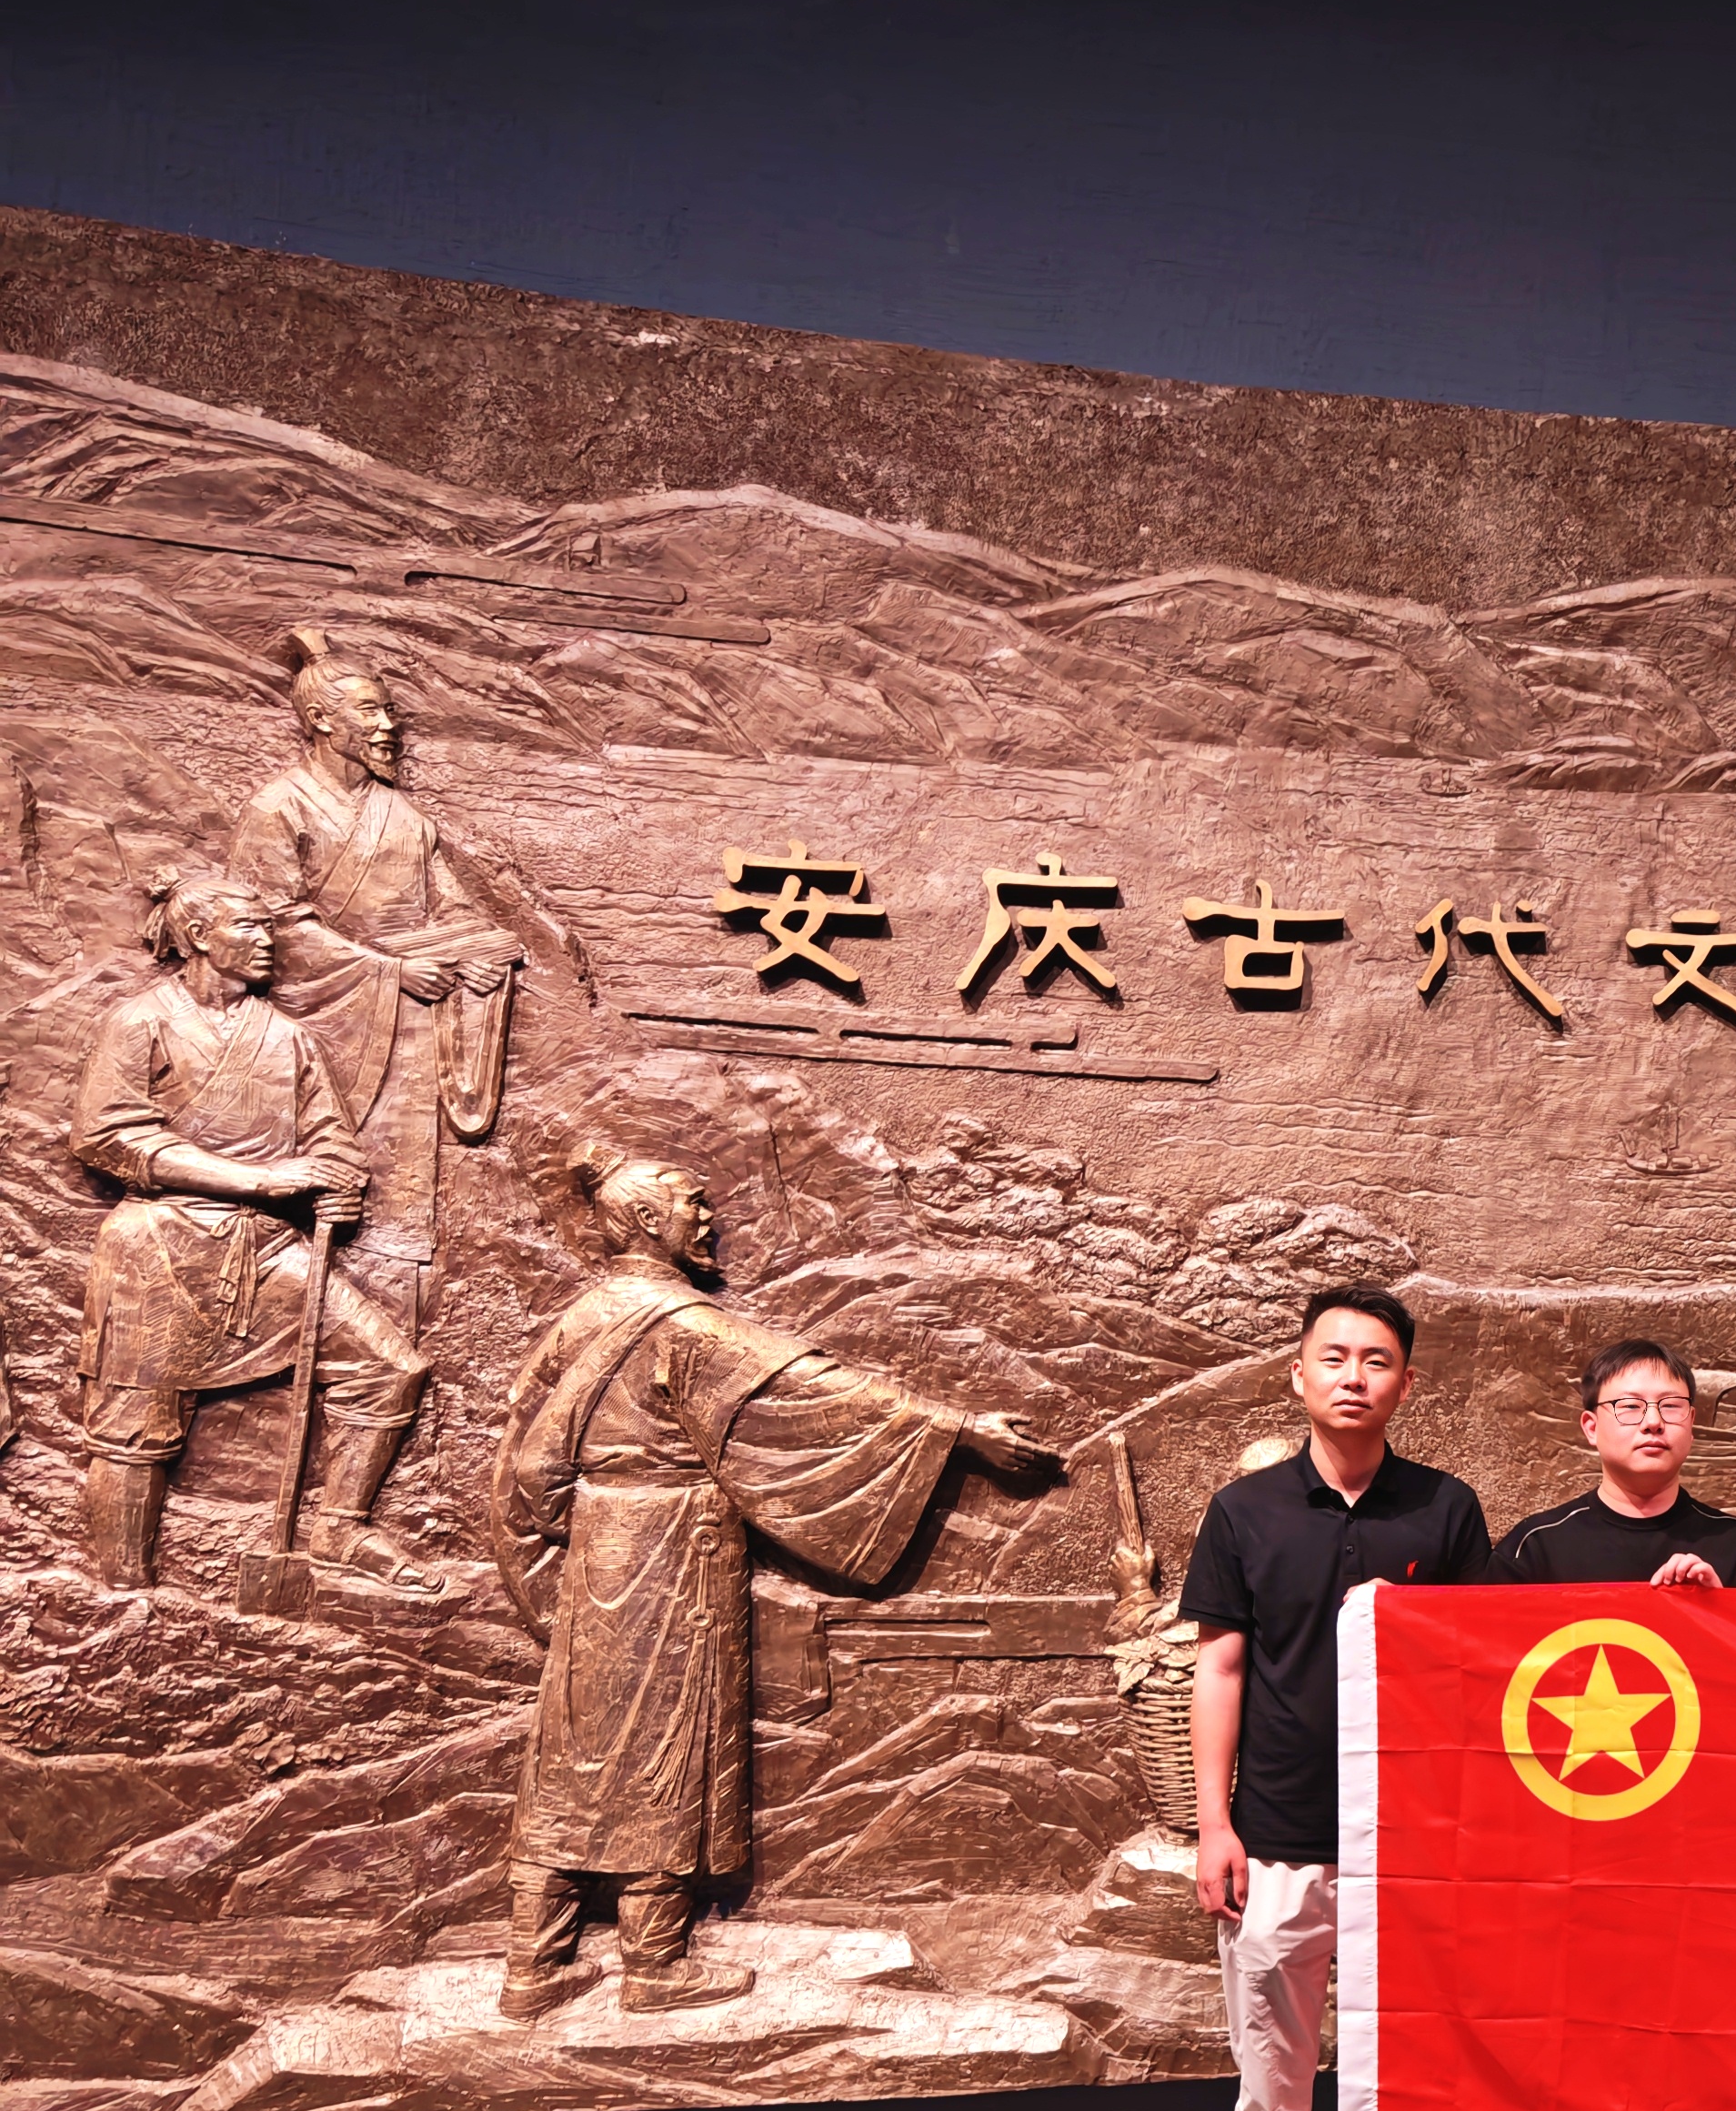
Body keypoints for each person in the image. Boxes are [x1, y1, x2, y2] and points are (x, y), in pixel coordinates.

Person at [490, 1150, 1045, 2014]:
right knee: (667, 1741)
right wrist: (959, 1427)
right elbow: (815, 1392)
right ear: (647, 1222)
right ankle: (653, 1964)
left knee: (575, 1746)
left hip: (598, 1543)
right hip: (671, 1548)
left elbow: (524, 1449)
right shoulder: (684, 1325)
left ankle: (533, 1966)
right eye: (692, 1204)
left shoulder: (584, 1315)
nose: (708, 1219)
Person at [1180, 1287, 1491, 2111]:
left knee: (1418, 2094)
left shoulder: (1445, 1509)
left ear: (1406, 1384)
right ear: (1298, 1375)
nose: (1354, 1376)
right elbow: (1220, 1670)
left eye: (1376, 1361)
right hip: (1279, 1839)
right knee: (1269, 2098)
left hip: (1414, 1843)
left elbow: (1478, 1671)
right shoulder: (1244, 1511)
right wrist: (1213, 1825)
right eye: (1334, 1357)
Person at [70, 868, 436, 1592]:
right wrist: (258, 1180)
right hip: (158, 1249)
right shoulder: (139, 1021)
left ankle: (339, 1528)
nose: (269, 939)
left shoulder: (287, 1038)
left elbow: (331, 1139)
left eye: (270, 925)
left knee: (389, 1367)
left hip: (265, 1250)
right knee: (134, 1429)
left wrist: (337, 1182)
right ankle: (122, 1587)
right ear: (199, 936)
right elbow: (107, 1137)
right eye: (250, 925)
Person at [1496, 1337, 1736, 2111]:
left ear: (1693, 1424)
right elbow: (1480, 1686)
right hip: (1575, 1858)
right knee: (1577, 2067)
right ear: (1591, 1425)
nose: (1651, 1422)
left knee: (1710, 2066)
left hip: (1709, 1861)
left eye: (1670, 1407)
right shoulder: (1534, 1550)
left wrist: (1723, 1624)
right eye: (1629, 1406)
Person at [228, 627, 521, 1331]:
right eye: (370, 711)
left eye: (390, 711)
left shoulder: (406, 819)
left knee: (398, 1204)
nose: (388, 726)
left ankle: (390, 1347)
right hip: (319, 1025)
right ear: (320, 719)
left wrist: (479, 955)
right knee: (307, 1191)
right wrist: (389, 971)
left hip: (408, 1031)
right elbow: (272, 924)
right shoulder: (277, 809)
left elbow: (453, 909)